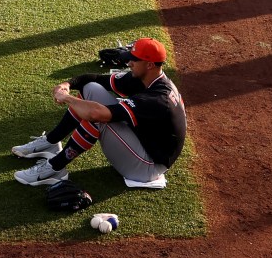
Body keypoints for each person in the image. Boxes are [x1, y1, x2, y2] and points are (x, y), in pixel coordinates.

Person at [10, 37, 186, 187]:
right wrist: (67, 85)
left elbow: (95, 114)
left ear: (149, 65)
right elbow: (95, 80)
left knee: (97, 118)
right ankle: (51, 141)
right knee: (91, 89)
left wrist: (68, 98)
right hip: (143, 143)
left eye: (134, 59)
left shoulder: (157, 99)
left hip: (148, 167)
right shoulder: (147, 78)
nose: (129, 63)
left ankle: (55, 168)